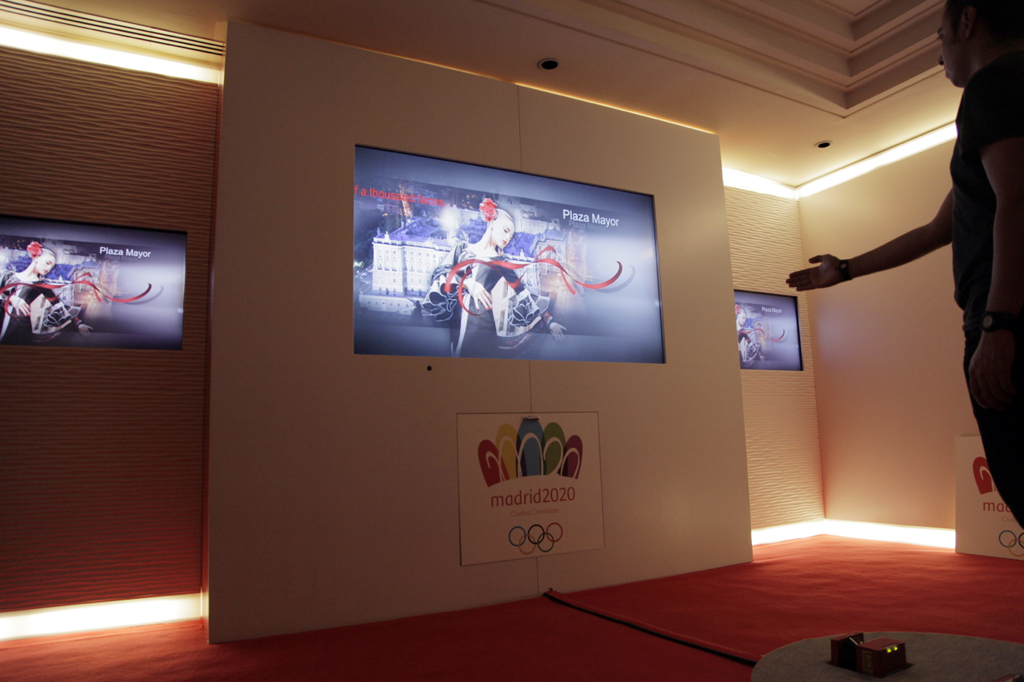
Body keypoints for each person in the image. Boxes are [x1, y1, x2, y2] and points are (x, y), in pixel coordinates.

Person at [786, 0, 1024, 526]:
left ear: (968, 21)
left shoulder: (994, 85)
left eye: (940, 36)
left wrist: (998, 324)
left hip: (1006, 321)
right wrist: (845, 269)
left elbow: (1017, 204)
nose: (939, 56)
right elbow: (938, 229)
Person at [423, 198, 567, 357]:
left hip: (481, 325)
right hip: (457, 322)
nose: (508, 237)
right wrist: (468, 283)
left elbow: (523, 293)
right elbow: (441, 274)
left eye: (511, 235)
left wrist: (549, 321)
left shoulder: (500, 262)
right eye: (505, 230)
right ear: (492, 223)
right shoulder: (462, 248)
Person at [0, 241, 92, 344]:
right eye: (47, 263)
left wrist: (78, 323)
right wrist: (11, 299)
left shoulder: (42, 285)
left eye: (51, 267)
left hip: (19, 328)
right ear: (36, 257)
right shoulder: (8, 276)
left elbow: (59, 305)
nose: (48, 268)